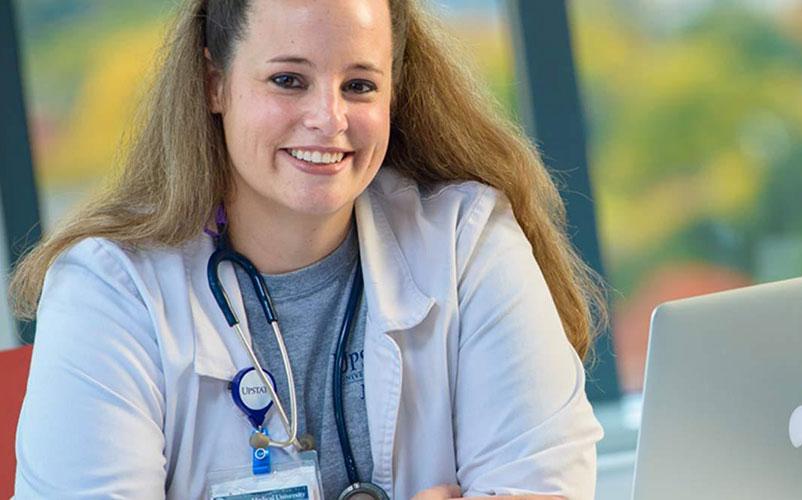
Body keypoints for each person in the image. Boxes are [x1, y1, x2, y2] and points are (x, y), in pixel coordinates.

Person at [9, 0, 606, 498]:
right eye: (288, 80)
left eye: (359, 85)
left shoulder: (466, 238)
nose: (329, 118)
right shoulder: (108, 292)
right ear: (215, 83)